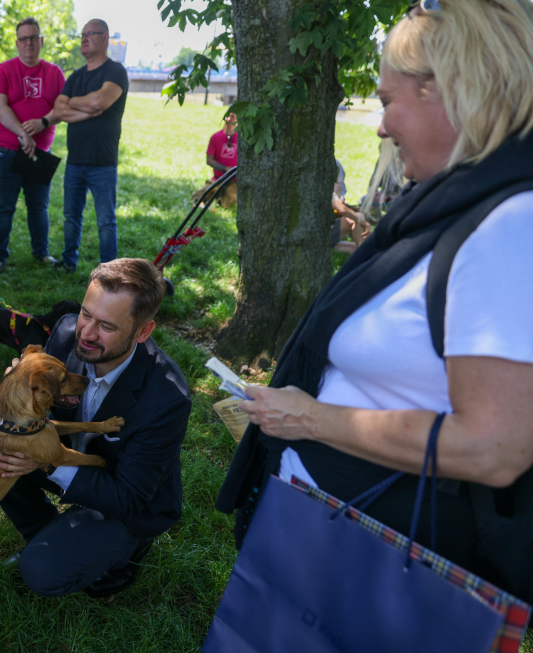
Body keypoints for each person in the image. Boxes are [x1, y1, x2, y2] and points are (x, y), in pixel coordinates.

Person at [217, 0, 533, 601]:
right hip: (337, 530)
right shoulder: (457, 204)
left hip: (382, 562)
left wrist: (308, 418)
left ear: (454, 89)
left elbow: (493, 447)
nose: (381, 125)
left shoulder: (510, 226)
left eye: (388, 101)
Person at [0, 258, 191, 598]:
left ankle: (127, 552)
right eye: (86, 314)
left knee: (40, 572)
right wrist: (19, 393)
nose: (85, 334)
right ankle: (46, 534)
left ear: (143, 331)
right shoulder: (65, 333)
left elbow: (128, 496)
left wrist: (46, 460)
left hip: (127, 499)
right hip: (76, 465)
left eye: (107, 327)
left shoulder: (167, 398)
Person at [0, 17, 65, 273]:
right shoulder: (4, 70)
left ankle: (41, 252)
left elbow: (62, 108)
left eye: (33, 38)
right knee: (4, 205)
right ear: (17, 43)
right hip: (6, 149)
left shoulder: (54, 72)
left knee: (39, 205)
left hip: (40, 153)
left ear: (41, 41)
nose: (28, 43)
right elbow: (0, 107)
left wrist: (44, 122)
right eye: (23, 38)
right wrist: (24, 134)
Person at [51, 19, 129, 273]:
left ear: (105, 37)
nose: (84, 39)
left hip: (103, 163)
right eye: (82, 34)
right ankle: (68, 263)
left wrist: (76, 104)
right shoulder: (75, 76)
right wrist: (86, 108)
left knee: (106, 221)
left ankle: (109, 272)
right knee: (71, 218)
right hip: (75, 161)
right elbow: (59, 109)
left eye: (90, 34)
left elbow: (100, 101)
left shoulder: (115, 72)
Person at [206, 110, 238, 179]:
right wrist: (225, 168)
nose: (228, 119)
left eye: (232, 117)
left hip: (235, 181)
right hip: (217, 179)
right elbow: (209, 160)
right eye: (227, 116)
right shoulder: (215, 137)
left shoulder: (242, 138)